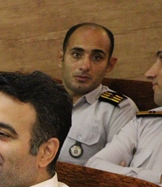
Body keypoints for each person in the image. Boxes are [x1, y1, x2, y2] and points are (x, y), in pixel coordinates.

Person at [57, 22, 137, 165]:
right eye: (76, 55)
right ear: (60, 58)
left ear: (110, 65)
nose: (85, 66)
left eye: (97, 58)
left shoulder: (119, 110)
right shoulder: (38, 98)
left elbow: (115, 171)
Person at [86, 47, 162, 184]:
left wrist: (123, 176)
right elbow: (93, 167)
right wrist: (155, 178)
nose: (149, 73)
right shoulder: (144, 123)